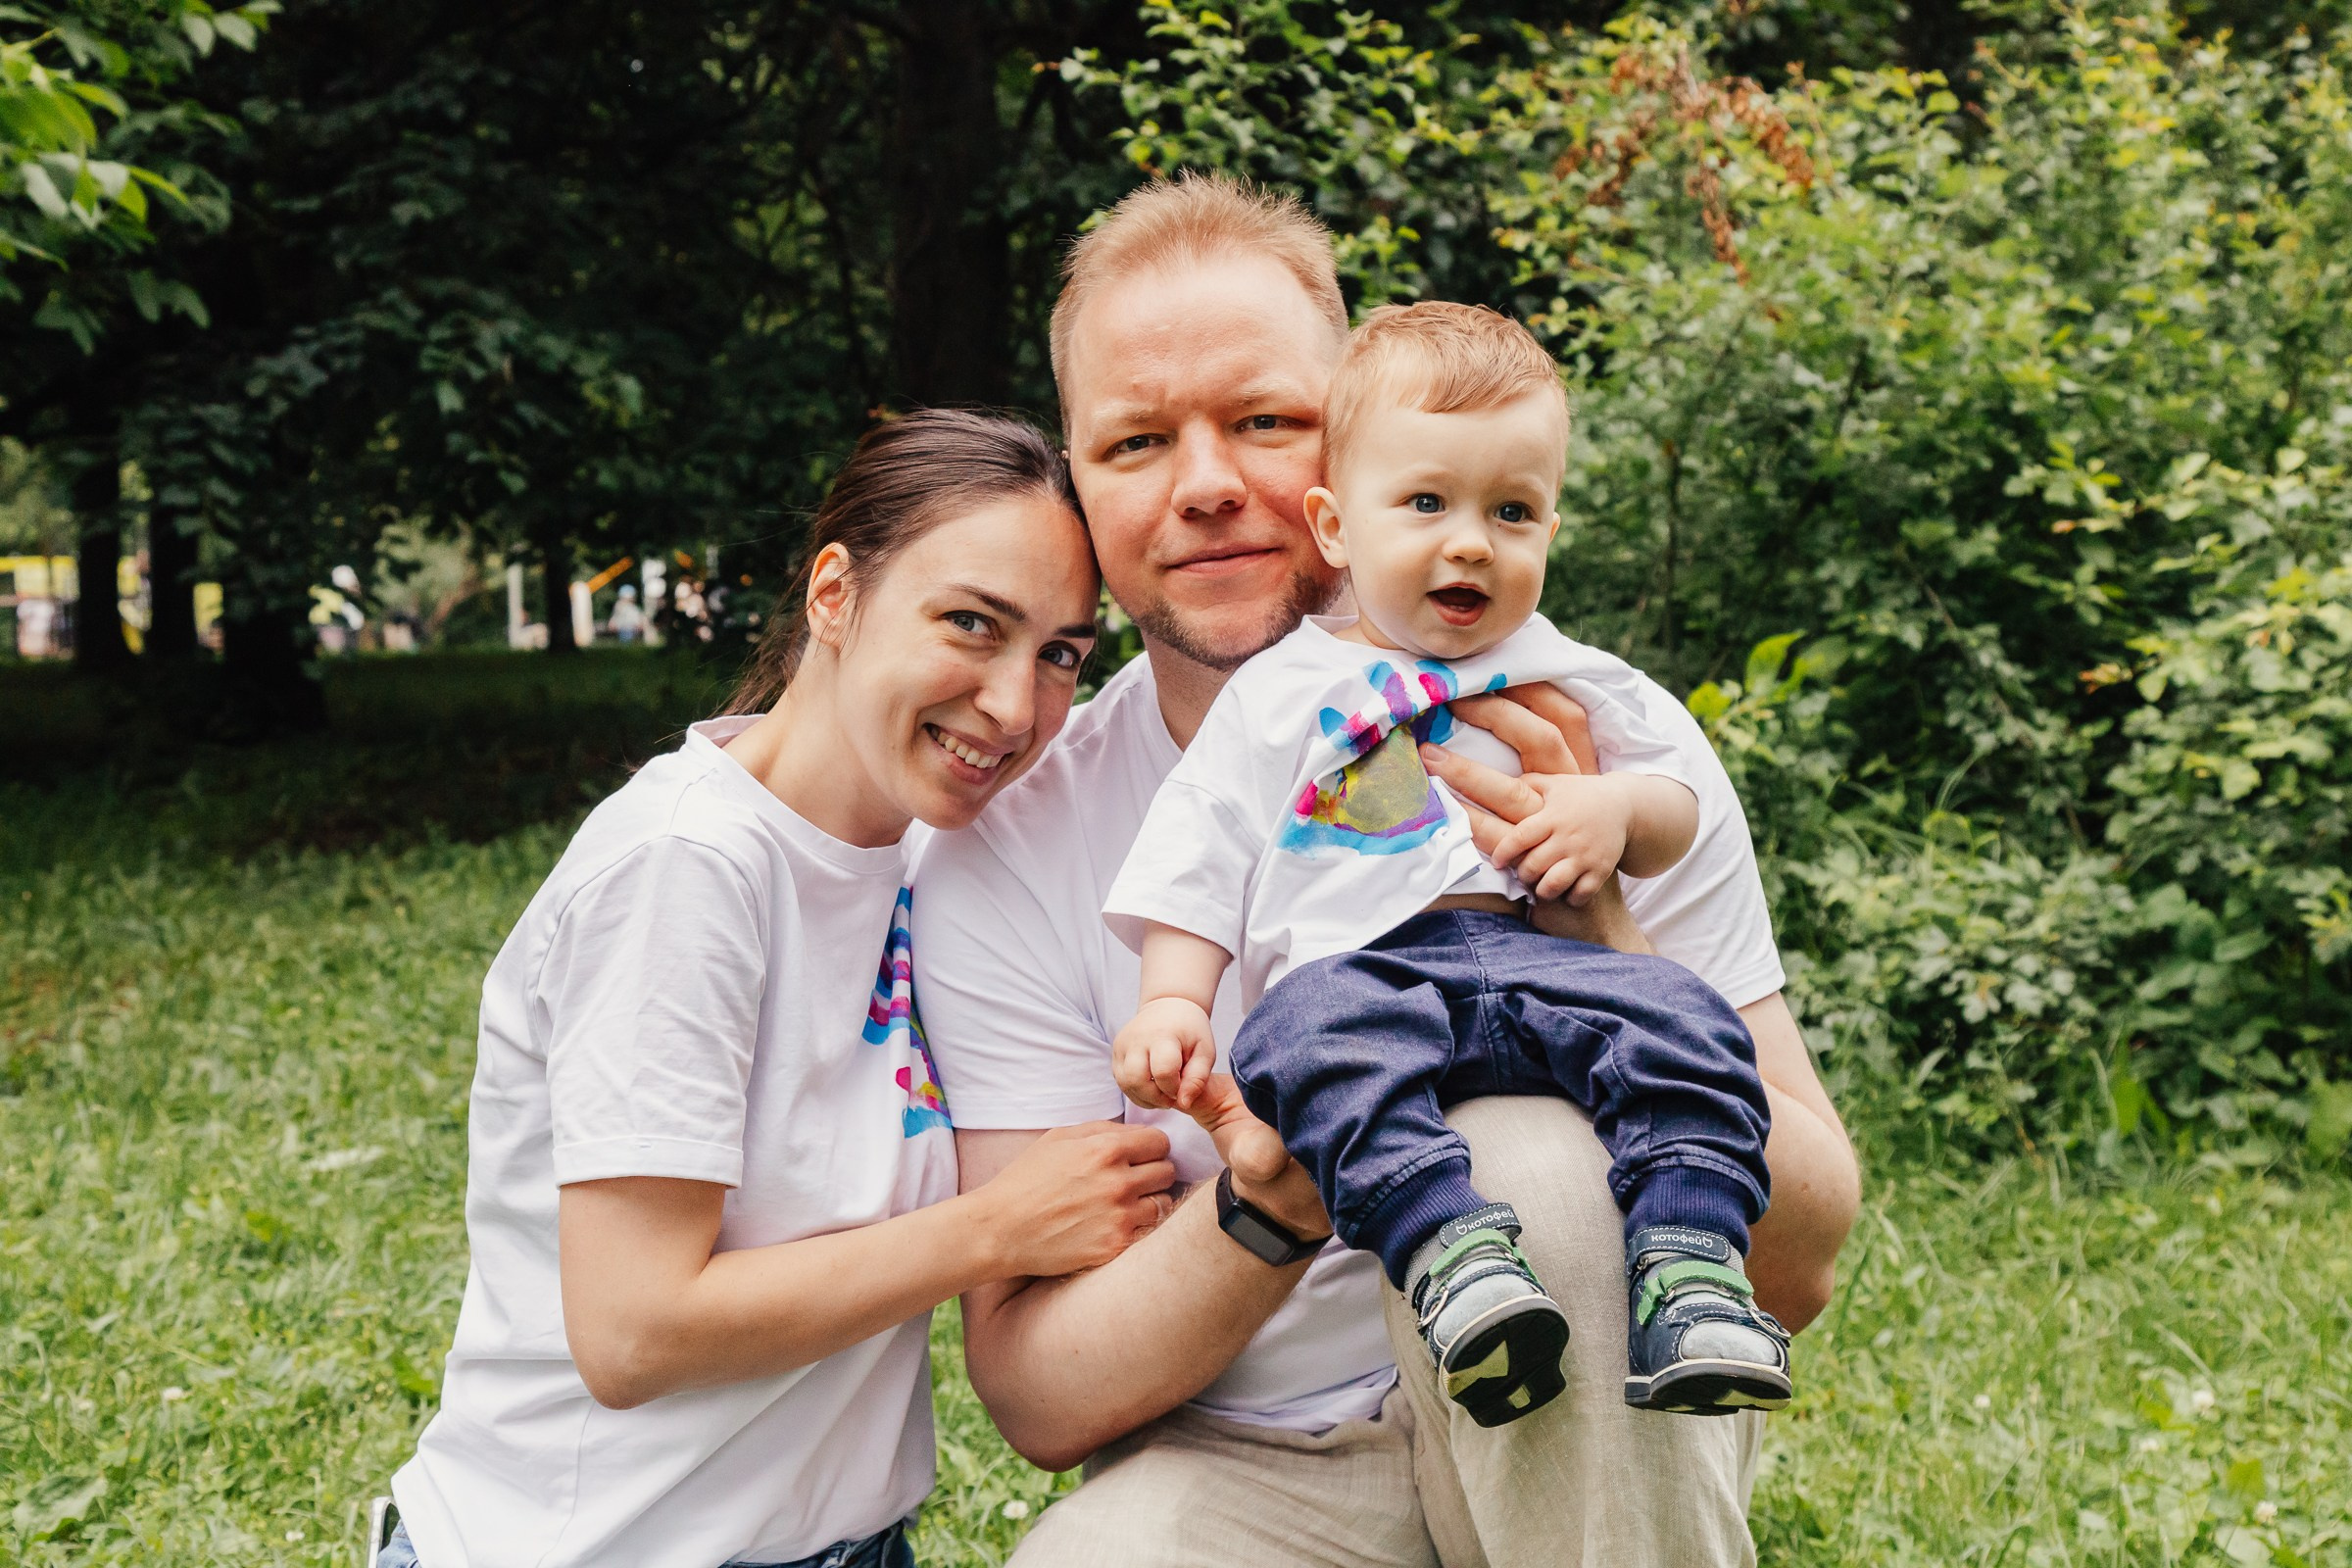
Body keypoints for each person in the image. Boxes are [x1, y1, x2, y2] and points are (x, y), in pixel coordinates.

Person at [909, 172, 1861, 1565]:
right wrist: (1276, 1197)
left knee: (1534, 1157)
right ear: (1078, 483)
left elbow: (1807, 1256)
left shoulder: (1603, 735)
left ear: (1350, 446)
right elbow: (1044, 1395)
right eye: (1134, 441)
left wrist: (1601, 937)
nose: (1210, 483)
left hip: (1590, 1425)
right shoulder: (1009, 845)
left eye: (1266, 422)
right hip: (1269, 1463)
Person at [381, 412, 1175, 1568]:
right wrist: (993, 1228)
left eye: (1060, 653)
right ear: (835, 595)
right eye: (970, 623)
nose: (1015, 705)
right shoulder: (686, 864)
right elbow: (633, 1328)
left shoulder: (939, 861)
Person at [1105, 301, 1788, 1429]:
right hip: (1365, 973)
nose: (1470, 540)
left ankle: (1689, 1261)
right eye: (1426, 503)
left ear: (1550, 532)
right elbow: (1201, 843)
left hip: (1542, 955)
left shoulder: (1564, 665)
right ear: (1334, 524)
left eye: (1511, 511)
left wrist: (1611, 809)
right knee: (1295, 1042)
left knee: (1687, 1017)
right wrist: (1172, 998)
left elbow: (1679, 810)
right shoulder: (1284, 689)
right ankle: (1456, 1260)